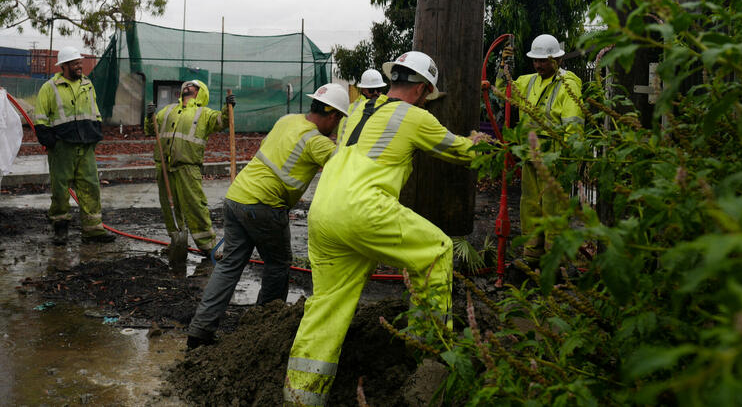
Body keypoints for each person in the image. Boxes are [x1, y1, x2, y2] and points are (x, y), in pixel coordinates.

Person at [284, 52, 488, 405]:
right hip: (362, 209)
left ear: (393, 80)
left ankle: (300, 397)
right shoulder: (415, 116)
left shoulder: (356, 110)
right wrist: (482, 144)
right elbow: (463, 152)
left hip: (323, 211)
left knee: (327, 306)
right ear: (423, 90)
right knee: (436, 251)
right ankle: (428, 355)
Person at [186, 84, 351, 350]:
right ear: (332, 116)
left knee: (229, 266)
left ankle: (199, 332)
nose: (337, 125)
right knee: (277, 265)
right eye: (339, 119)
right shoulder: (316, 141)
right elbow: (348, 166)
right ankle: (264, 329)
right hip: (264, 205)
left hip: (237, 196)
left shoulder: (287, 120)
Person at [491, 33, 583, 265]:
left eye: (543, 61)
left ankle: (555, 263)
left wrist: (570, 158)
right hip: (530, 154)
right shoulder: (528, 81)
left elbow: (573, 123)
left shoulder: (568, 84)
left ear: (557, 60)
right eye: (536, 60)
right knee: (530, 206)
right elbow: (503, 90)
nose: (538, 65)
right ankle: (532, 257)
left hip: (554, 157)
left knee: (553, 209)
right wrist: (503, 67)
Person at [34, 46, 114, 245]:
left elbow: (94, 111)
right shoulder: (50, 88)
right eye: (76, 63)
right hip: (62, 147)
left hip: (86, 145)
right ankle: (60, 228)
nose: (80, 66)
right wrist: (51, 142)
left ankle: (93, 230)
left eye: (80, 63)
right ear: (64, 66)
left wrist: (95, 133)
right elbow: (41, 118)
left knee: (91, 187)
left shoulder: (87, 84)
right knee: (60, 190)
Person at [144, 80, 235, 255]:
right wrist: (149, 116)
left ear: (201, 92)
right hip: (164, 166)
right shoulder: (168, 110)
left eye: (192, 86)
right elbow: (150, 129)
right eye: (185, 85)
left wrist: (228, 107)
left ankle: (208, 246)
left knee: (195, 206)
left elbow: (222, 121)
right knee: (169, 206)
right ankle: (177, 240)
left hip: (188, 166)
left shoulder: (204, 113)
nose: (187, 87)